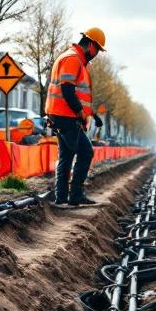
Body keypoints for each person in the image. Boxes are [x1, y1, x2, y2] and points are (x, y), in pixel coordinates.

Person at [45, 27, 106, 206]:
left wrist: (92, 115)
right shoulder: (73, 59)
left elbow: (78, 93)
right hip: (66, 116)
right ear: (90, 44)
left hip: (60, 115)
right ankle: (75, 195)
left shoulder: (75, 59)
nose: (97, 54)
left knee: (66, 155)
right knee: (86, 152)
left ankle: (62, 198)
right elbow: (67, 90)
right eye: (97, 50)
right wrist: (80, 114)